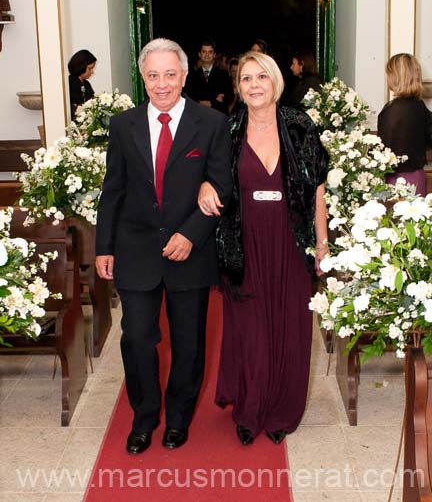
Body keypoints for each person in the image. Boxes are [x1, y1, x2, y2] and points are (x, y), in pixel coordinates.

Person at [95, 38, 232, 455]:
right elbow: (113, 189)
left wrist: (191, 233)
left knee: (189, 344)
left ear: (185, 75)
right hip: (135, 248)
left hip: (190, 250)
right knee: (136, 337)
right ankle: (144, 417)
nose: (161, 84)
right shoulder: (123, 125)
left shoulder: (210, 124)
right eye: (153, 75)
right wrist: (104, 247)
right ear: (143, 77)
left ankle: (178, 419)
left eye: (169, 74)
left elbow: (221, 185)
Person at [198, 50, 328, 445]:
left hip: (291, 239)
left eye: (262, 77)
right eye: (246, 79)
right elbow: (209, 174)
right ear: (238, 87)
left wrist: (322, 243)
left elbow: (317, 187)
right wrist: (204, 185)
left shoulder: (299, 125)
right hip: (244, 241)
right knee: (251, 327)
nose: (254, 85)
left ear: (275, 82)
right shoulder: (228, 128)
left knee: (290, 323)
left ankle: (283, 409)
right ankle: (250, 408)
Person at [378, 52, 432, 196]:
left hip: (397, 179)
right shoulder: (420, 106)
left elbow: (384, 150)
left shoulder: (391, 110)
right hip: (418, 176)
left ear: (395, 77)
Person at [184, 39, 234, 114]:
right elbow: (188, 97)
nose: (207, 55)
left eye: (210, 52)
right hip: (198, 116)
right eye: (204, 52)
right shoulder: (191, 76)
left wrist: (212, 103)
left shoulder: (223, 75)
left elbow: (230, 96)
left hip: (218, 116)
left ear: (214, 55)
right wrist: (201, 102)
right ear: (199, 54)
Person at [68, 49, 96, 118]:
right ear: (81, 66)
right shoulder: (71, 83)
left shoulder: (86, 84)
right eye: (90, 68)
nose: (92, 72)